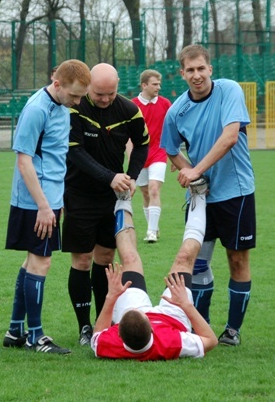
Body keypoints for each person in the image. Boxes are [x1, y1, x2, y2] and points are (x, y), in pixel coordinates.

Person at [160, 44, 256, 347]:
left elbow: (229, 137)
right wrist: (191, 173)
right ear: (182, 73)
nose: (197, 75)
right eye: (190, 70)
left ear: (210, 69)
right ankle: (200, 327)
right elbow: (171, 150)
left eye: (201, 68)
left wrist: (196, 170)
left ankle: (232, 330)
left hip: (236, 192)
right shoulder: (176, 111)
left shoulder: (229, 90)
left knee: (237, 260)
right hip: (200, 198)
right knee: (197, 262)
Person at [2, 60, 91, 355]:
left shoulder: (62, 107)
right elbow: (23, 160)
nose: (77, 102)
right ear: (57, 84)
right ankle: (35, 336)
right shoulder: (37, 108)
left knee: (32, 262)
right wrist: (43, 206)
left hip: (51, 198)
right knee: (41, 262)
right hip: (35, 201)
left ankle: (16, 330)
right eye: (75, 96)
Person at [63, 63, 149, 347]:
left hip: (111, 198)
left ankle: (105, 320)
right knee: (83, 260)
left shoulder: (128, 110)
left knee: (104, 260)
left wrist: (133, 176)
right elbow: (75, 153)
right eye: (99, 94)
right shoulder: (75, 108)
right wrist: (109, 176)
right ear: (88, 87)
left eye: (110, 93)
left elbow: (143, 144)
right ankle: (84, 326)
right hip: (78, 195)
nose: (104, 99)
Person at [91, 181, 218, 360]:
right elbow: (210, 340)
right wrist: (186, 305)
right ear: (151, 328)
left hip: (132, 319)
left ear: (117, 332)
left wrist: (112, 297)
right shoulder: (174, 342)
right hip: (172, 320)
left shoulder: (107, 344)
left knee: (129, 259)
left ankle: (123, 200)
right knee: (184, 259)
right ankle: (199, 195)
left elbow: (98, 334)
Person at [131, 69, 172, 243]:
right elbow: (127, 134)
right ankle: (153, 227)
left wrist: (175, 154)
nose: (158, 87)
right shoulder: (132, 105)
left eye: (159, 84)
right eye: (155, 84)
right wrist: (131, 156)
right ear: (144, 85)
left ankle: (151, 232)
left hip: (159, 152)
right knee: (145, 193)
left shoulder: (165, 104)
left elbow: (172, 130)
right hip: (140, 155)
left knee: (154, 188)